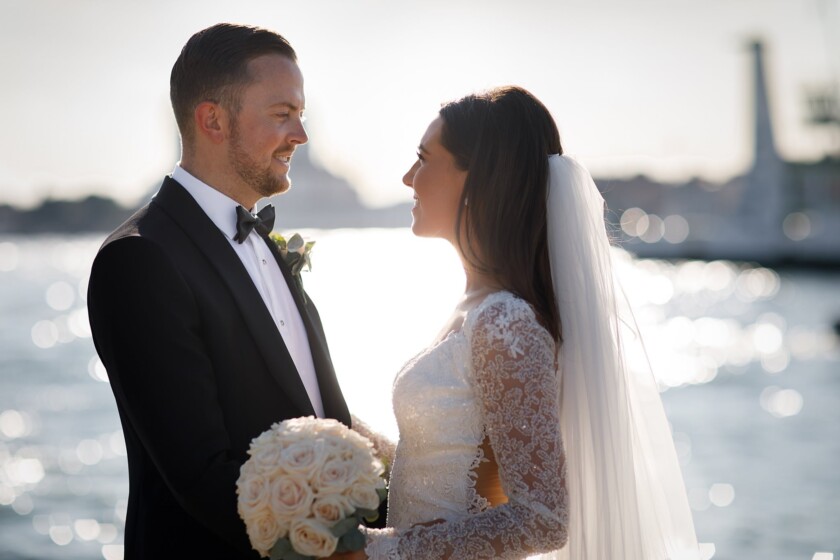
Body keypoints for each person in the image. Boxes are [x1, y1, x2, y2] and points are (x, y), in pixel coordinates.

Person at [350, 87, 699, 559]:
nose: (409, 177)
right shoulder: (477, 307)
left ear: (479, 180)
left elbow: (543, 519)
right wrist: (351, 439)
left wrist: (373, 551)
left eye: (424, 159)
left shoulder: (503, 322)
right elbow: (450, 462)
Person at [87, 24, 350, 559]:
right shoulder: (139, 260)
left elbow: (320, 409)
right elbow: (204, 481)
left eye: (301, 115)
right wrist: (353, 550)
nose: (301, 135)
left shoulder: (269, 246)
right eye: (282, 114)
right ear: (213, 119)